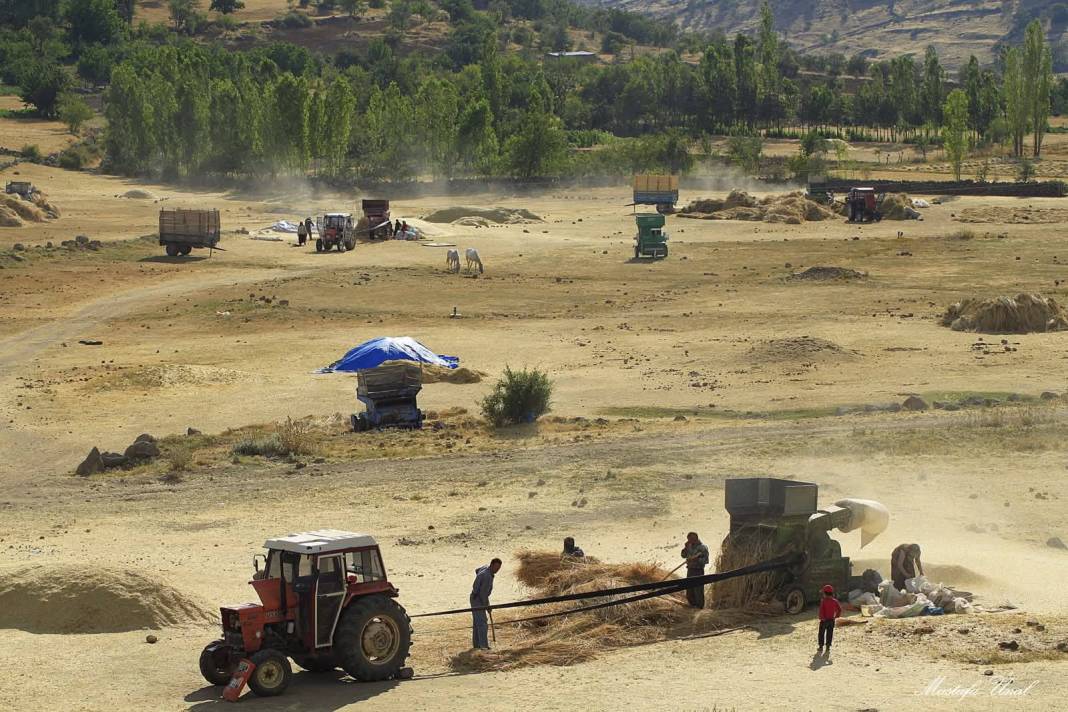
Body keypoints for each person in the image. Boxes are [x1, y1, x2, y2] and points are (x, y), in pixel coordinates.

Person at [470, 557, 501, 650]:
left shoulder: (486, 568)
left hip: (474, 597)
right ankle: (484, 646)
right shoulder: (487, 576)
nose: (497, 570)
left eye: (499, 568)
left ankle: (476, 645)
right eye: (496, 568)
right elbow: (483, 594)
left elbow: (477, 570)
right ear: (491, 565)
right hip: (478, 599)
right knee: (483, 623)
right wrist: (487, 606)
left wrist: (479, 580)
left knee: (477, 623)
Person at [680, 532, 709, 609]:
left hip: (698, 571)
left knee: (698, 591)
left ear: (696, 538)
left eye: (691, 539)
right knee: (689, 591)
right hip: (690, 570)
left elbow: (706, 561)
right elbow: (683, 556)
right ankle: (692, 606)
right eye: (689, 540)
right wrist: (685, 547)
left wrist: (696, 559)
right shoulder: (689, 546)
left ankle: (699, 608)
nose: (690, 541)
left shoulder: (703, 548)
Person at [817, 584, 841, 656]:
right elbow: (839, 610)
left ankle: (821, 646)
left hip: (824, 621)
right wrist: (836, 616)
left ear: (824, 593)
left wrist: (822, 618)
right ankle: (828, 647)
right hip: (831, 620)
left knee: (821, 633)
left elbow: (821, 611)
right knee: (829, 634)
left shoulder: (823, 601)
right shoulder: (835, 601)